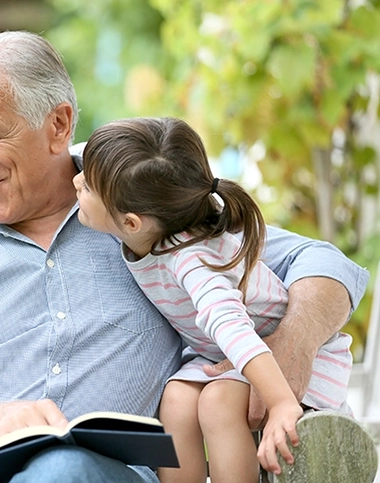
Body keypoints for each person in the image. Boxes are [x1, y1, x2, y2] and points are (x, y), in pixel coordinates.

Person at [0, 30, 368, 483]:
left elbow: (328, 266)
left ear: (59, 125)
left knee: (63, 470)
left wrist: (290, 346)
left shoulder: (143, 210)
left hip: (106, 474)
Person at [73, 117, 354, 482]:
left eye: (89, 186)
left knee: (218, 403)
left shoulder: (194, 261)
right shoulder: (154, 224)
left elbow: (232, 328)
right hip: (221, 357)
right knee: (175, 400)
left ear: (130, 224)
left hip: (281, 363)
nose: (76, 180)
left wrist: (281, 401)